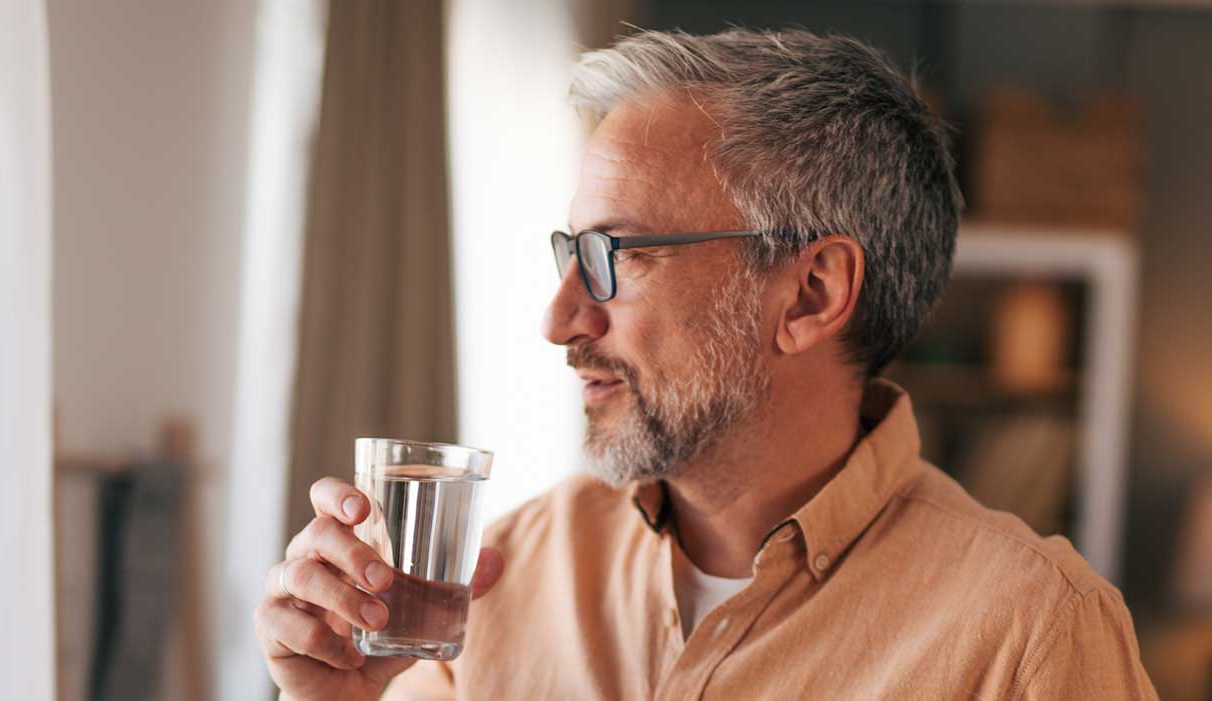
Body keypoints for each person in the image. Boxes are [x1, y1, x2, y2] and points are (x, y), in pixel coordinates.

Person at [253, 28, 1156, 699]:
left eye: (614, 255)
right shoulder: (501, 578)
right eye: (568, 253)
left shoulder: (1033, 636)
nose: (559, 319)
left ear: (809, 294)